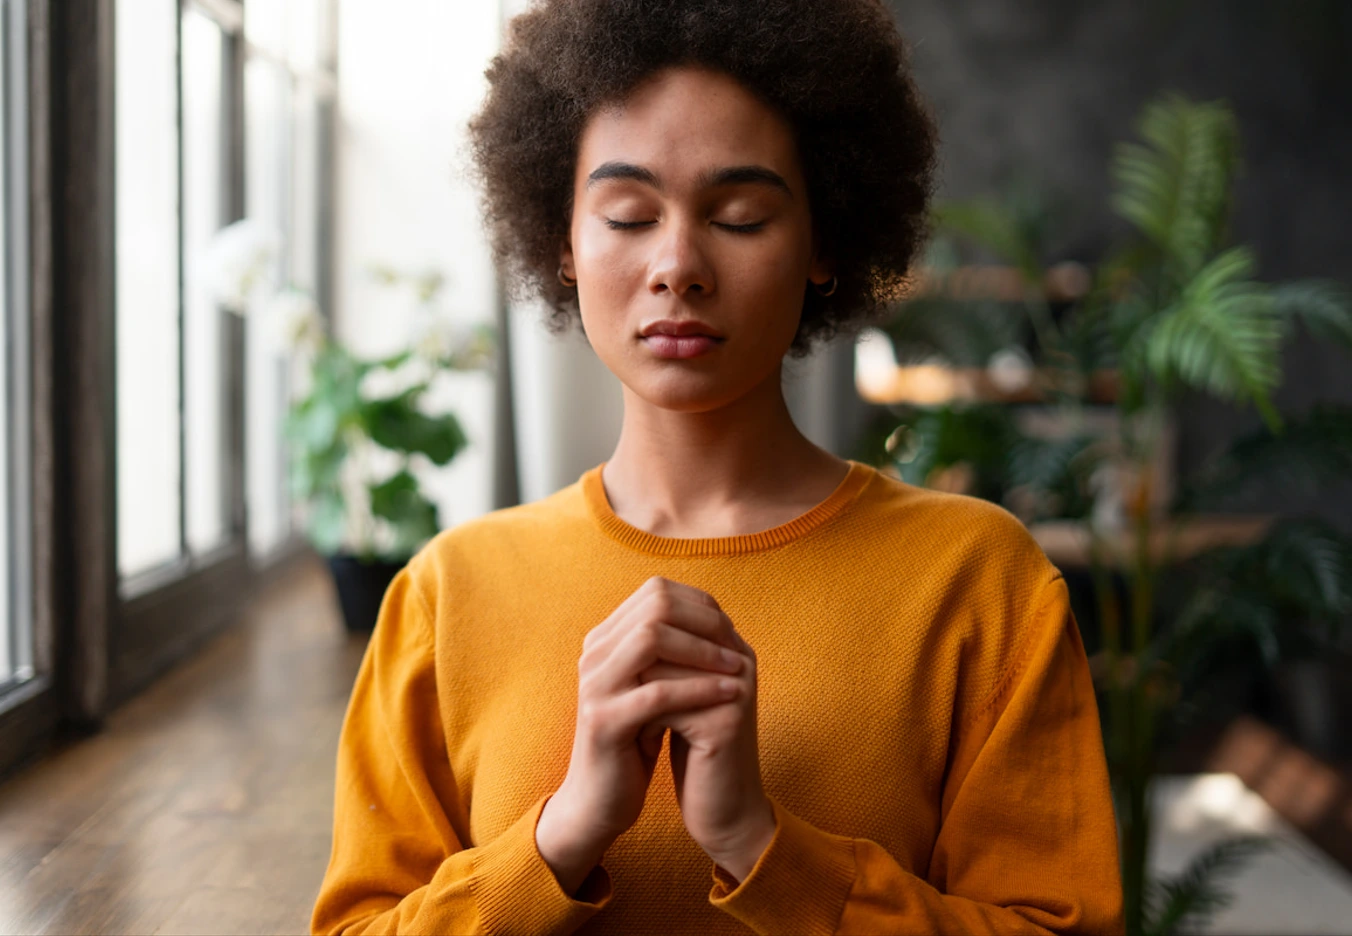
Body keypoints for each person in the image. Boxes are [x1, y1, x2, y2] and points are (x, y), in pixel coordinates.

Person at [310, 1, 1125, 933]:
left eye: (738, 216)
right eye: (626, 214)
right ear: (562, 243)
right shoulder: (447, 597)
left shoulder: (979, 582)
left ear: (825, 242)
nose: (677, 265)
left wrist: (761, 845)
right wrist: (562, 836)